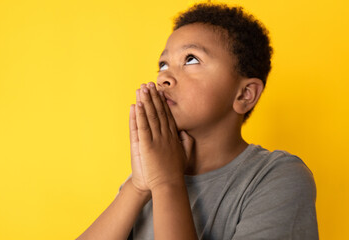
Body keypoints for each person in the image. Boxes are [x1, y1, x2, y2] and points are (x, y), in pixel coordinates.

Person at [76, 2, 318, 240]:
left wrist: (167, 183)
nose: (164, 78)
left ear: (244, 95)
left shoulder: (277, 177)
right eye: (162, 64)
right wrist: (137, 187)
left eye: (191, 59)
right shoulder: (149, 175)